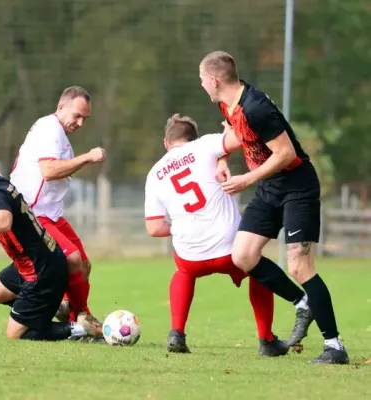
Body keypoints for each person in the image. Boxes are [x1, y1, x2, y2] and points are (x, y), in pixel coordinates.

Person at [198, 50, 348, 364]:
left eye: (202, 81)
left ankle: (335, 347)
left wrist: (245, 179)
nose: (202, 86)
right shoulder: (230, 102)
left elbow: (285, 153)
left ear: (214, 79)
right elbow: (232, 131)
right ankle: (301, 303)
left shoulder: (255, 107)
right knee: (243, 255)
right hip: (270, 188)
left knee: (299, 265)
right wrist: (223, 159)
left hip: (297, 185)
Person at [0, 118, 102, 341]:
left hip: (41, 272)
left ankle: (81, 329)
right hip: (29, 264)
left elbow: (3, 222)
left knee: (15, 334)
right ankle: (49, 309)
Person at [144, 114, 288, 356]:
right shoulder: (204, 145)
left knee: (183, 272)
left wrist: (179, 226)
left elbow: (154, 228)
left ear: (166, 143)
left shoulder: (154, 174)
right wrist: (225, 144)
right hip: (230, 248)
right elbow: (240, 138)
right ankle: (267, 340)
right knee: (259, 270)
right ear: (193, 138)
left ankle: (176, 332)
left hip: (191, 255)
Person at [7, 86, 105, 326]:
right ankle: (77, 318)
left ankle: (78, 315)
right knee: (71, 260)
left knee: (83, 264)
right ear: (61, 107)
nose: (80, 123)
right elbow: (48, 171)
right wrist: (87, 157)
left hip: (50, 213)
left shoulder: (57, 132)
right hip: (31, 213)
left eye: (85, 118)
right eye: (77, 115)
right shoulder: (50, 128)